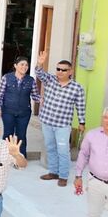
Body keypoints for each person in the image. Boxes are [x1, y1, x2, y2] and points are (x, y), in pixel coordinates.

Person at [35, 50, 86, 187]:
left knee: (63, 151)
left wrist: (82, 122)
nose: (60, 72)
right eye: (58, 69)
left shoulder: (77, 88)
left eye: (63, 70)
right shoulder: (50, 80)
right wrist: (40, 63)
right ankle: (53, 172)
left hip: (63, 125)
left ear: (70, 71)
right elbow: (39, 73)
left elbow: (80, 106)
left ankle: (63, 176)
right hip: (47, 121)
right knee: (50, 148)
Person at [74, 108, 108, 217]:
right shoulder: (92, 135)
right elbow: (83, 154)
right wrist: (78, 175)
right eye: (106, 117)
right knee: (93, 213)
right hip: (95, 181)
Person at [0, 56, 40, 158]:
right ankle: (5, 157)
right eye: (22, 64)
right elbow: (0, 94)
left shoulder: (31, 80)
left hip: (24, 113)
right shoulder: (6, 78)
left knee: (21, 135)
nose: (24, 67)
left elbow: (35, 96)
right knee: (8, 134)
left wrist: (42, 100)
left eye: (26, 65)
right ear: (15, 66)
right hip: (8, 111)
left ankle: (21, 158)